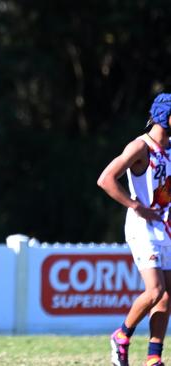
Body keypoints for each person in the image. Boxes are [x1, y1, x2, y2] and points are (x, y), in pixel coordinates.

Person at [98, 93, 171, 366]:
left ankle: (153, 358)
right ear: (167, 116)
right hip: (142, 227)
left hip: (164, 226)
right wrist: (135, 205)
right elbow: (105, 179)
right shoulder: (141, 147)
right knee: (154, 291)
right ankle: (121, 335)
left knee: (167, 296)